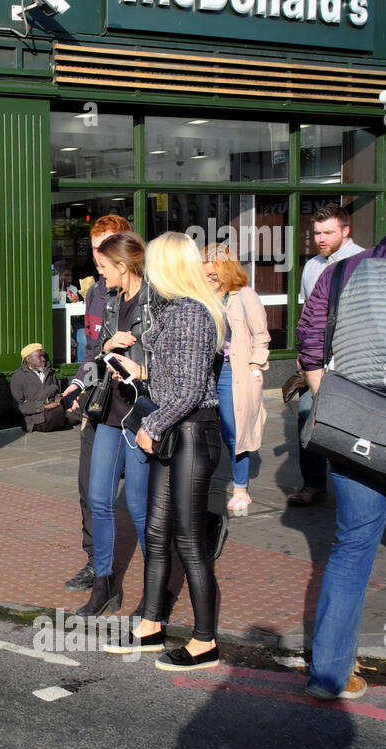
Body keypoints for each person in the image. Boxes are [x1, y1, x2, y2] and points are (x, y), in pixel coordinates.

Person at [295, 175, 386, 701]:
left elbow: (309, 346)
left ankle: (330, 677)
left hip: (358, 430)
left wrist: (333, 403)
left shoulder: (339, 274)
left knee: (351, 548)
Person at [103, 232, 226, 671]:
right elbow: (175, 381)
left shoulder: (193, 313)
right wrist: (138, 373)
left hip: (191, 434)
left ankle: (205, 641)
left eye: (154, 264)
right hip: (175, 431)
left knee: (189, 542)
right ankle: (151, 625)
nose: (148, 272)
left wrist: (150, 425)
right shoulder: (176, 311)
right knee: (156, 533)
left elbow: (192, 391)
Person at [74, 231, 151, 617]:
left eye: (104, 268)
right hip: (108, 411)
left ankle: (154, 594)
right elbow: (98, 348)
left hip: (141, 414)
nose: (101, 276)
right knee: (100, 499)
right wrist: (103, 352)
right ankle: (104, 584)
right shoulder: (113, 301)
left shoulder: (154, 302)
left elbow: (172, 363)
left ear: (123, 266)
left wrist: (141, 364)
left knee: (138, 507)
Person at [58, 214, 131, 594]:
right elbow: (90, 350)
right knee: (90, 488)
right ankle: (95, 562)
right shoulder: (95, 293)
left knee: (146, 494)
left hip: (138, 405)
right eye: (95, 247)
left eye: (107, 245)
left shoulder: (145, 290)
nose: (98, 255)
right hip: (99, 401)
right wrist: (77, 385)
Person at [288, 204, 364, 506]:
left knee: (354, 424)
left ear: (346, 231)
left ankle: (362, 487)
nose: (321, 238)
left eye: (328, 232)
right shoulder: (312, 266)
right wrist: (304, 350)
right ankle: (314, 484)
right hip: (318, 361)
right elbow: (308, 312)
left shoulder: (363, 262)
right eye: (317, 232)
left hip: (353, 361)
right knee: (308, 416)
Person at [202, 244, 269, 517]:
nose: (209, 280)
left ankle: (241, 488)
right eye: (206, 275)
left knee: (235, 430)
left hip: (234, 371)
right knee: (205, 428)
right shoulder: (204, 297)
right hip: (208, 370)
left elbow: (262, 335)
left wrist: (254, 365)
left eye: (213, 276)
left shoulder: (244, 296)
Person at [10, 343, 77, 433]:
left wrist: (58, 398)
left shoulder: (49, 372)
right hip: (36, 419)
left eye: (43, 356)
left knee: (78, 406)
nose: (44, 359)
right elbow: (18, 406)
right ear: (28, 359)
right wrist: (44, 407)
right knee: (60, 413)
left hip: (55, 411)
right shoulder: (18, 377)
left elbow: (56, 392)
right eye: (39, 357)